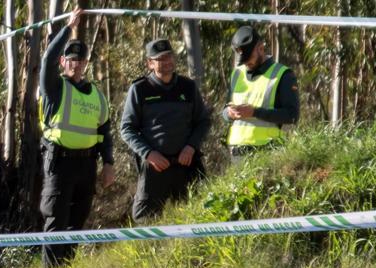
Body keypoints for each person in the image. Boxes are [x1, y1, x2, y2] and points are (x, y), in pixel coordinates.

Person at [39, 7, 115, 268]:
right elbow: (48, 58)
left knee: (77, 221)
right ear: (64, 62)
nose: (76, 64)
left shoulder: (96, 95)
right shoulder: (55, 87)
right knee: (55, 222)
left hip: (86, 166)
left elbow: (104, 131)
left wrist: (108, 163)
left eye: (80, 61)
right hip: (59, 164)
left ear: (85, 63)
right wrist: (68, 28)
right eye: (71, 60)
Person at [120, 38, 210, 223]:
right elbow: (127, 129)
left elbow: (203, 121)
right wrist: (148, 153)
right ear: (150, 63)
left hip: (186, 164)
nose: (167, 62)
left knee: (197, 215)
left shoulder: (188, 86)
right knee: (145, 221)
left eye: (169, 56)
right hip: (155, 166)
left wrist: (191, 147)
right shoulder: (139, 89)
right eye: (160, 58)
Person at [223, 26, 299, 160]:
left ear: (261, 48)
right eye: (243, 59)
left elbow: (292, 116)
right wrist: (228, 113)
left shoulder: (283, 75)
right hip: (237, 154)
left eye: (249, 57)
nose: (246, 62)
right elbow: (224, 110)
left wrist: (255, 112)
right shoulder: (237, 74)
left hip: (268, 152)